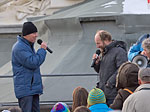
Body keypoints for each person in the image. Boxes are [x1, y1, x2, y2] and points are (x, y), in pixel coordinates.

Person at [11, 21, 48, 112]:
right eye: (34, 33)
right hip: (26, 90)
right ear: (26, 34)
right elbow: (33, 63)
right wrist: (42, 50)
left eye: (36, 33)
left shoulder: (27, 46)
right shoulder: (19, 47)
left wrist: (38, 84)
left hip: (32, 88)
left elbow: (33, 68)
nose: (36, 35)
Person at [92, 30, 127, 106]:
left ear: (106, 40)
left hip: (113, 93)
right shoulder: (103, 52)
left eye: (98, 43)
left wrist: (110, 83)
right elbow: (100, 71)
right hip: (103, 93)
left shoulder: (119, 51)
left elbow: (122, 69)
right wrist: (96, 64)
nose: (97, 46)